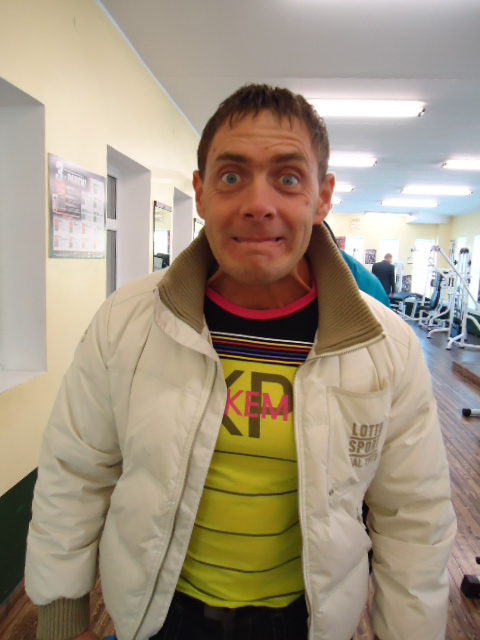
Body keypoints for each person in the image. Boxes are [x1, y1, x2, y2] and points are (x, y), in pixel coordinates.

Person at [25, 84, 456, 640]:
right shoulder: (126, 322)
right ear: (201, 193)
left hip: (305, 624)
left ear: (322, 197)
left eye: (288, 178)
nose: (258, 204)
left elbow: (413, 519)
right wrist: (60, 620)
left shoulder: (383, 347)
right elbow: (75, 472)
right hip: (159, 619)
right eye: (231, 176)